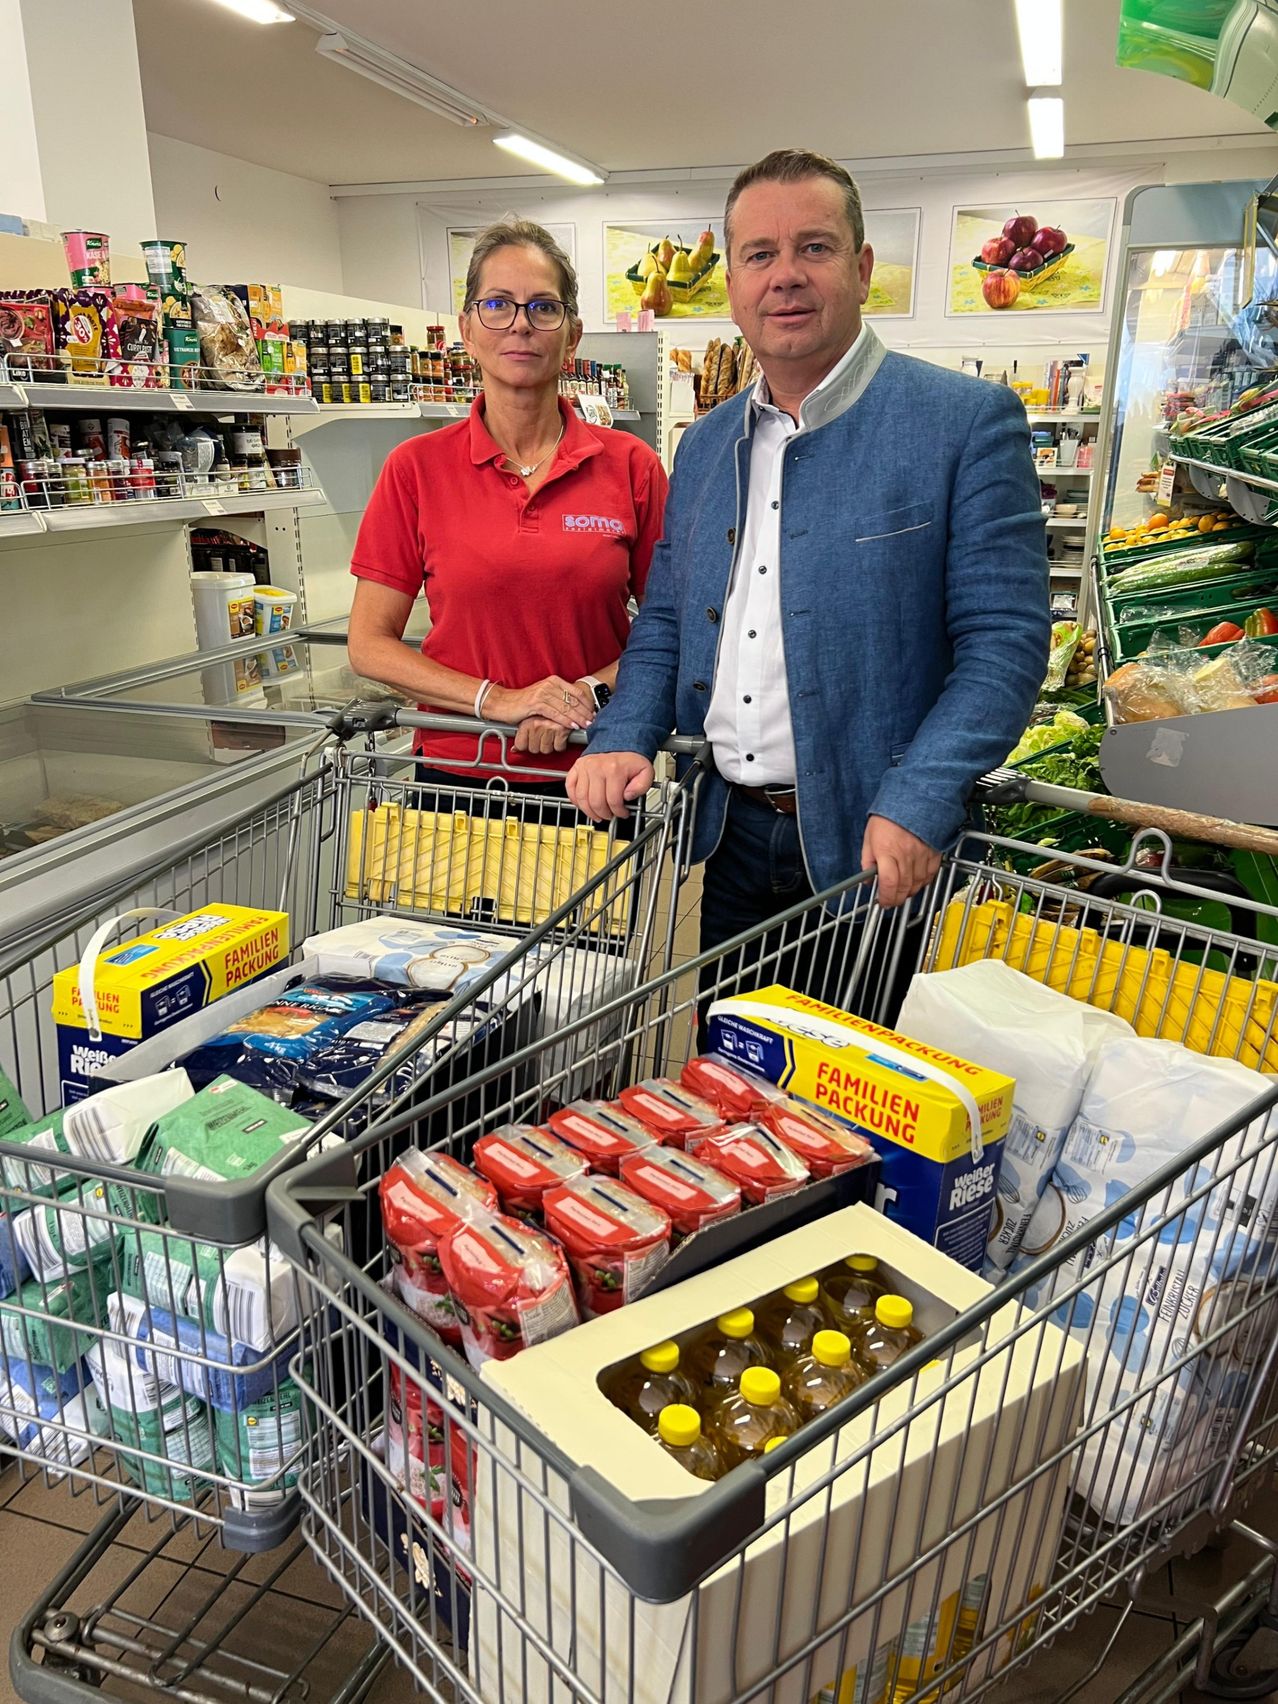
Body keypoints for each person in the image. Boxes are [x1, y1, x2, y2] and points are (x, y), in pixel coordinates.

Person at [567, 149, 1048, 995]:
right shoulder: (707, 444)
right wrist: (621, 732)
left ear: (861, 270)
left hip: (879, 846)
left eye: (814, 248)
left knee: (857, 1111)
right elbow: (670, 621)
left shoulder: (964, 422)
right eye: (759, 254)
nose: (785, 276)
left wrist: (921, 797)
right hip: (733, 839)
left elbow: (1003, 644)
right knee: (729, 1092)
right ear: (734, 285)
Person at [346, 219, 667, 802]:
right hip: (454, 770)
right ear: (467, 330)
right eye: (497, 304)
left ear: (572, 337)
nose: (521, 323)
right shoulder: (415, 468)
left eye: (544, 307)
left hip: (593, 773)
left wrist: (584, 695)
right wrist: (503, 700)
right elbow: (370, 644)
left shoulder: (631, 466)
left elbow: (671, 627)